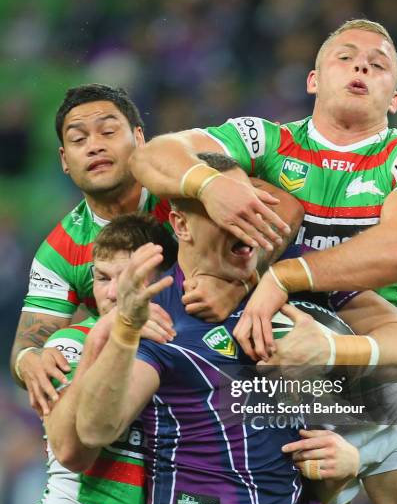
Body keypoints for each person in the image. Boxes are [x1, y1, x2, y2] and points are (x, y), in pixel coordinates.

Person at [126, 20, 397, 504]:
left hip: (388, 377)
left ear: (396, 96)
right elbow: (156, 155)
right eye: (345, 57)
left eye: (379, 63)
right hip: (280, 390)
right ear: (313, 78)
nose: (361, 67)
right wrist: (209, 184)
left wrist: (283, 277)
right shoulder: (264, 141)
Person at [71, 154, 397, 504]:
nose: (250, 222)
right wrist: (125, 334)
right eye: (230, 211)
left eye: (256, 206)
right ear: (182, 226)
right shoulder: (154, 311)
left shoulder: (299, 274)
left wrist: (342, 448)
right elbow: (93, 429)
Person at [10, 83, 301, 417]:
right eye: (78, 140)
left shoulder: (186, 188)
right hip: (151, 394)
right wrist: (27, 361)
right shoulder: (58, 252)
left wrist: (239, 284)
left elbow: (287, 209)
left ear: (139, 138)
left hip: (245, 364)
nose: (94, 146)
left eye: (107, 131)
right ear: (64, 160)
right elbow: (28, 342)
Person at [3, 213, 177, 504]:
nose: (113, 293)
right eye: (102, 278)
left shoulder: (191, 351)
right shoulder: (71, 344)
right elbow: (69, 449)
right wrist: (105, 332)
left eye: (128, 276)